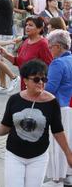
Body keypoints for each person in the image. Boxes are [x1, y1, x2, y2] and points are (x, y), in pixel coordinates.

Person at [0, 59, 72, 187]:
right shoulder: (15, 100)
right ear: (25, 80)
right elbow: (5, 126)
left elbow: (58, 131)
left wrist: (68, 154)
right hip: (14, 155)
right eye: (37, 79)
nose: (41, 83)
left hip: (38, 157)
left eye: (44, 79)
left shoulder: (51, 102)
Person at [44, 30, 72, 186]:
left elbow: (50, 89)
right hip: (70, 106)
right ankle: (68, 175)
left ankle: (57, 179)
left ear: (58, 46)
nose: (49, 50)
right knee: (70, 142)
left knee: (58, 144)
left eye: (50, 47)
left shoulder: (58, 63)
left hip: (60, 108)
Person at [0, 16, 53, 90]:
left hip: (36, 86)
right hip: (25, 84)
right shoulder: (26, 41)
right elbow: (19, 62)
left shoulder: (43, 44)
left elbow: (49, 65)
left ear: (39, 29)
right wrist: (5, 55)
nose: (27, 27)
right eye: (26, 25)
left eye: (31, 25)